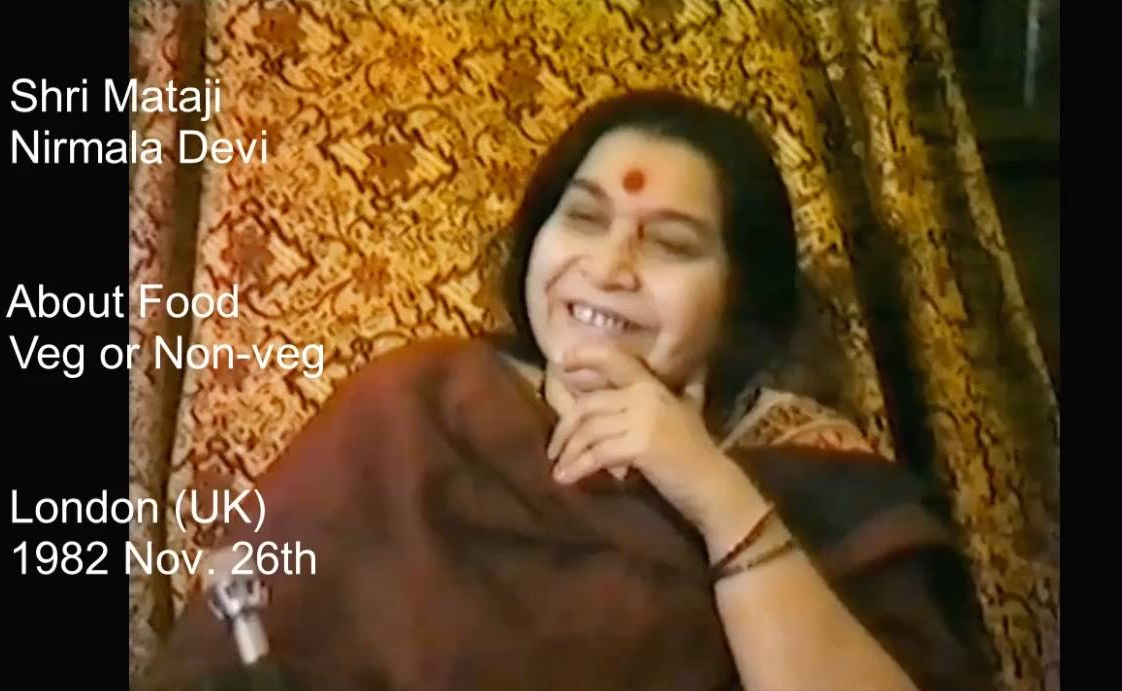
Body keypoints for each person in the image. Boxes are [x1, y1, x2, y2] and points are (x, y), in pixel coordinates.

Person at [137, 91, 995, 691]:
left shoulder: (814, 470)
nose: (609, 267)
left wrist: (716, 495)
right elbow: (219, 664)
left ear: (741, 296)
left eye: (671, 243)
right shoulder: (414, 412)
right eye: (583, 218)